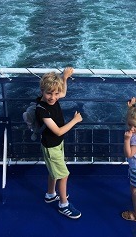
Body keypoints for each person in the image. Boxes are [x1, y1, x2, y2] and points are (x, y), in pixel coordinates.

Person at [35, 67, 83, 219]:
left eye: (55, 94)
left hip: (56, 144)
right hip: (51, 146)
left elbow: (63, 92)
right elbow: (58, 131)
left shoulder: (53, 96)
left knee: (54, 171)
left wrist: (65, 77)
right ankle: (63, 205)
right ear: (42, 90)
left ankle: (50, 194)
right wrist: (74, 121)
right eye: (49, 93)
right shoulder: (41, 110)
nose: (53, 97)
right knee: (63, 175)